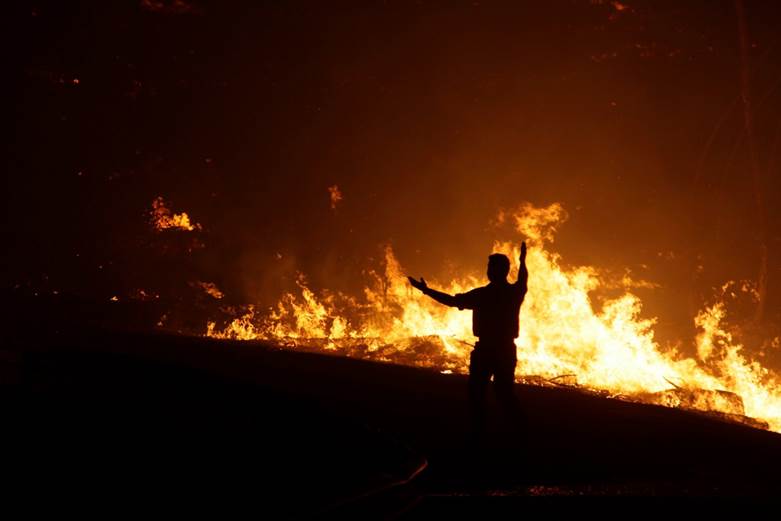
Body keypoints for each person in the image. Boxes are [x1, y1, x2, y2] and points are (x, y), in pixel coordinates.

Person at [408, 242, 528, 442]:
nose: (489, 271)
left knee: (479, 392)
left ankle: (484, 433)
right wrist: (523, 261)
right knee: (500, 393)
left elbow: (452, 301)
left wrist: (426, 291)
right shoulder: (513, 293)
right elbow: (523, 279)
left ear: (498, 271)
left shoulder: (484, 294)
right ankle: (517, 431)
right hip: (504, 349)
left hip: (488, 349)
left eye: (491, 268)